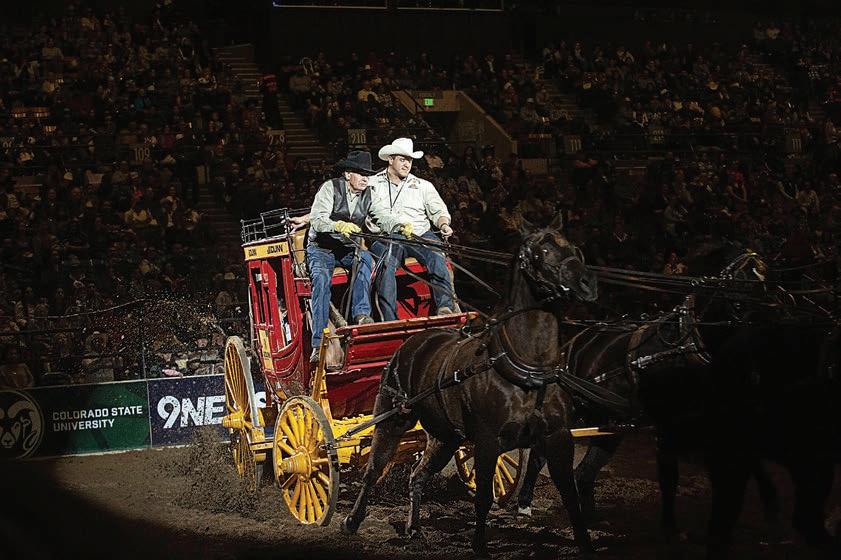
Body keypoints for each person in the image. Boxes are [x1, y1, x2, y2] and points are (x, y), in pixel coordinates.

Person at [306, 150, 399, 363]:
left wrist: (398, 226)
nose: (366, 178)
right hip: (322, 249)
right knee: (321, 280)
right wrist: (337, 225)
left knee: (365, 259)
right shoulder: (329, 188)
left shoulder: (369, 194)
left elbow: (382, 217)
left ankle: (361, 315)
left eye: (368, 175)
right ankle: (318, 343)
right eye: (361, 174)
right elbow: (317, 220)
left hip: (348, 249)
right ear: (348, 174)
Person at [368, 138, 456, 320]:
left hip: (419, 233)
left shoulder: (423, 185)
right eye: (402, 159)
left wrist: (443, 224)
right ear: (390, 159)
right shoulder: (371, 183)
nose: (407, 164)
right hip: (387, 236)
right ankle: (390, 319)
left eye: (409, 160)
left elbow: (438, 211)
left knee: (436, 255)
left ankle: (445, 308)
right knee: (387, 263)